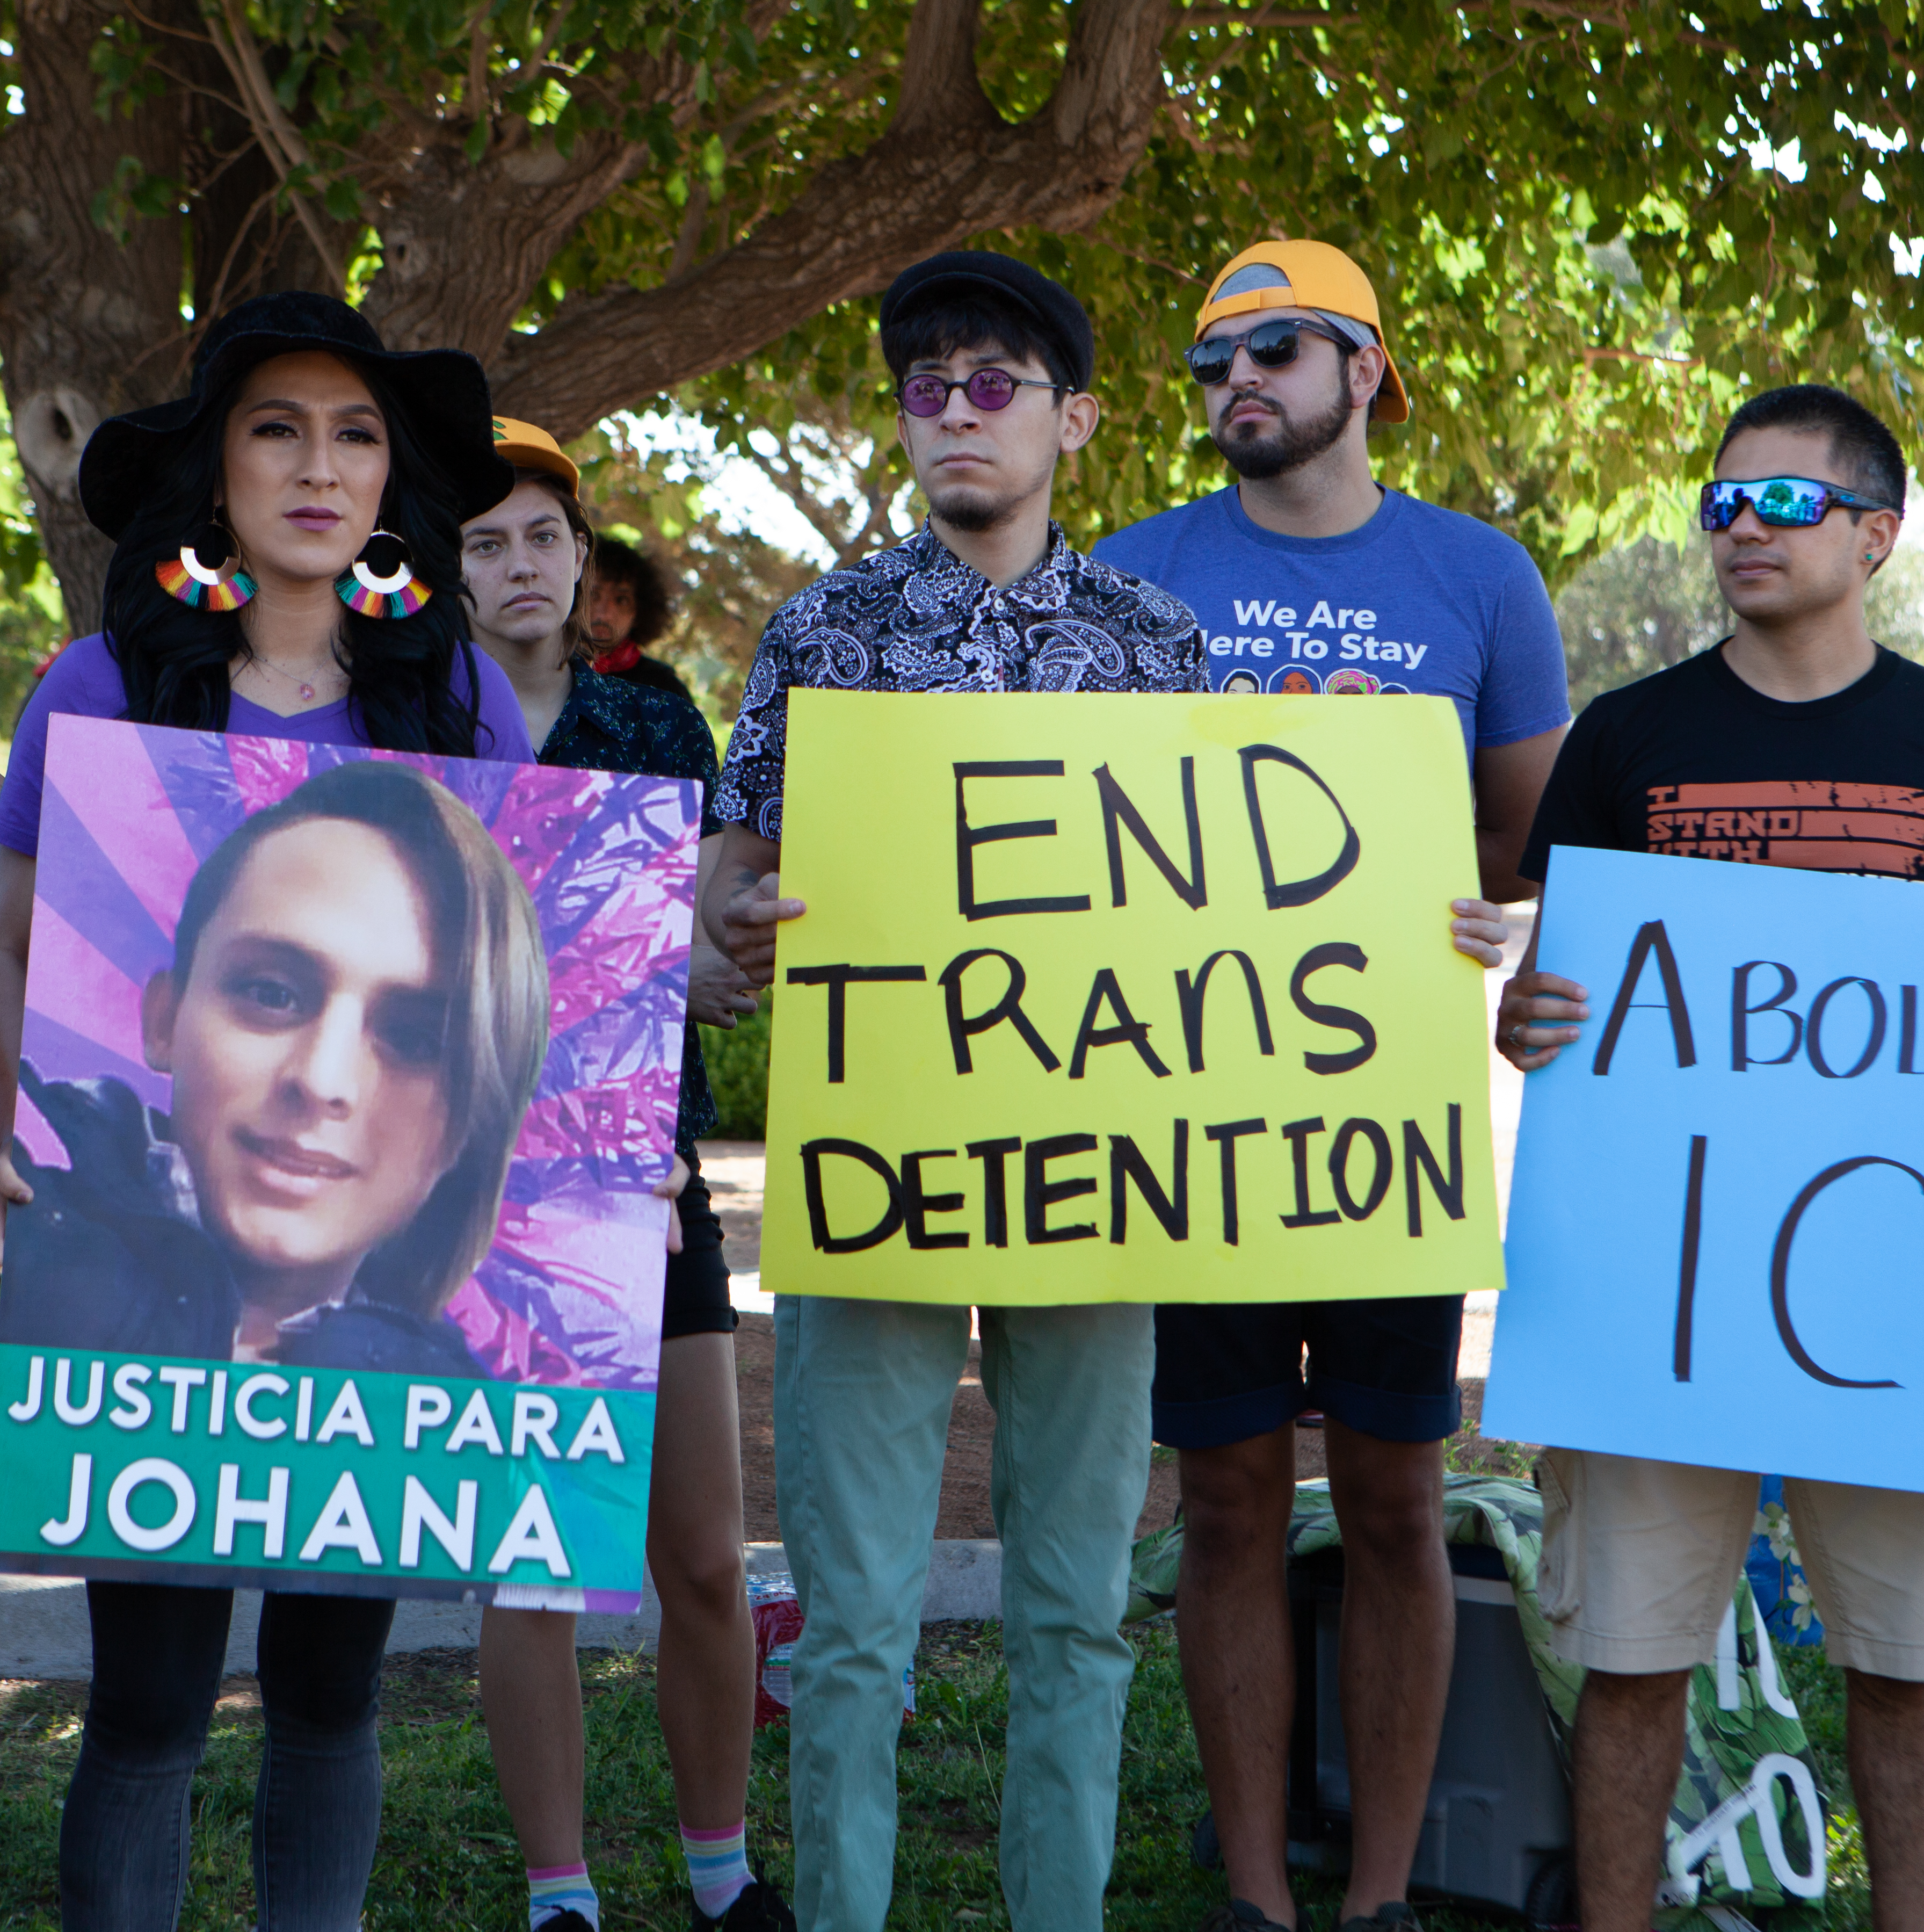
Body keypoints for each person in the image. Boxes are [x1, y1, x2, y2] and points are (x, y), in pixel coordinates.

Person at [0, 289, 530, 1932]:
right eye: (275, 427)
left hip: (358, 1330)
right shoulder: (101, 678)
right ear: (215, 469)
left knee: (330, 1688)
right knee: (145, 1697)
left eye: (354, 434)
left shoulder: (454, 701)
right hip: (131, 1291)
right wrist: (24, 1144)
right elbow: (8, 952)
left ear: (390, 487)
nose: (317, 464)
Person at [1494, 383, 1924, 1932]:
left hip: (1884, 1295)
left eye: (1785, 504)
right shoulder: (1624, 736)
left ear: (1875, 535)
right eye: (1721, 501)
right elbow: (1560, 996)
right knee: (1630, 1662)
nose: (1740, 526)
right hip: (1658, 1281)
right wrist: (1525, 1016)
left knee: (1902, 1667)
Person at [703, 250, 1202, 1932]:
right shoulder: (818, 631)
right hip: (876, 1177)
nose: (956, 411)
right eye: (927, 385)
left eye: (995, 383)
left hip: (1095, 1180)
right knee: (849, 1617)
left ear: (1073, 417)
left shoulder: (1160, 642)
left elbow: (1231, 906)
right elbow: (725, 887)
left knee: (1078, 1605)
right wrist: (739, 925)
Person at [1088, 238, 1570, 1932]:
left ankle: (1371, 1898)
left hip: (1390, 1118)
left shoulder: (1478, 577)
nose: (1238, 381)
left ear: (1364, 369)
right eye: (1213, 357)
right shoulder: (1127, 575)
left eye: (1275, 349)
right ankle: (1251, 1896)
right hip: (1182, 1113)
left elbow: (1528, 844)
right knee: (1218, 1495)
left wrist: (1489, 921)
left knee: (1392, 1489)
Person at [463, 416, 789, 1932]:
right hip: (472, 1198)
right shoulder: (401, 725)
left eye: (539, 536)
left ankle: (721, 1869)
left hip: (645, 1184)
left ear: (582, 563)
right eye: (481, 542)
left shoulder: (657, 720)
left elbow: (703, 934)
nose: (516, 565)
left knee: (704, 1557)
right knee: (530, 1563)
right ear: (439, 571)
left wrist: (724, 963)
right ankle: (560, 1894)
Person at [0, 758, 550, 1374]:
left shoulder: (471, 1431)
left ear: (472, 1120)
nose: (320, 1080)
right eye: (271, 994)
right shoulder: (36, 1259)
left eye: (415, 1039)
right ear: (165, 1019)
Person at [583, 532, 695, 700]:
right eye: (593, 595)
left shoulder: (664, 691)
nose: (604, 612)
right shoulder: (542, 675)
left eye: (621, 600)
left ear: (639, 612)